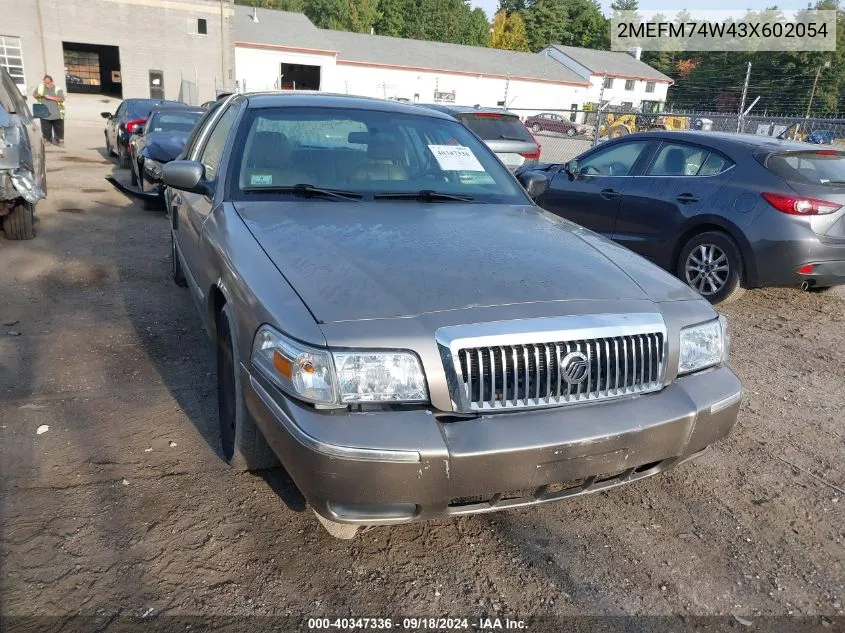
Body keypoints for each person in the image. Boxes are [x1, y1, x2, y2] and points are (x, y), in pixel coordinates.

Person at [32, 75, 65, 146]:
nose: (46, 84)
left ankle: (60, 140)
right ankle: (47, 140)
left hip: (56, 113)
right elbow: (34, 95)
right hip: (44, 113)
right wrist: (37, 95)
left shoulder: (57, 89)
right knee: (46, 128)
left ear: (52, 82)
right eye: (45, 83)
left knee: (59, 128)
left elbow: (61, 99)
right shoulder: (40, 87)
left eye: (48, 83)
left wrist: (50, 97)